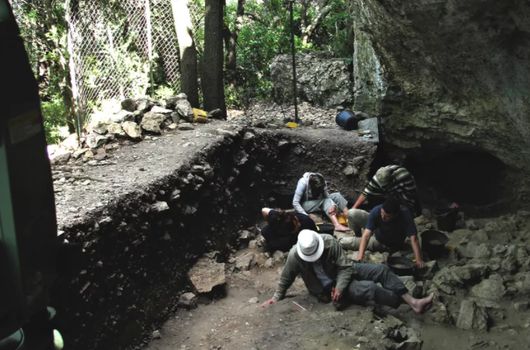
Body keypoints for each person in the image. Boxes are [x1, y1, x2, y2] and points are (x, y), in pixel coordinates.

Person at [261, 230, 433, 313]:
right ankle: (404, 304)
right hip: (325, 289)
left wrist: (341, 287)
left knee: (381, 269)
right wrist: (276, 298)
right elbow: (286, 279)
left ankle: (413, 301)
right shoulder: (294, 256)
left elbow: (345, 267)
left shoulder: (328, 241)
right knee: (369, 288)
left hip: (342, 272)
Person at [344, 197, 425, 268]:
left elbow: (413, 238)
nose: (383, 217)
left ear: (396, 215)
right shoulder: (377, 210)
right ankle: (341, 239)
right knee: (346, 239)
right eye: (382, 213)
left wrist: (418, 259)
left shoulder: (405, 214)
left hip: (388, 244)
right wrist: (360, 256)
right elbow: (366, 236)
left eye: (387, 216)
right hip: (378, 236)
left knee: (350, 242)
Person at [352, 165, 421, 216]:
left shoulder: (404, 176)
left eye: (386, 185)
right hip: (389, 193)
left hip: (402, 191)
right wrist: (353, 209)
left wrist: (406, 212)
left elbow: (411, 196)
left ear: (392, 179)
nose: (384, 187)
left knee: (407, 211)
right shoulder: (378, 178)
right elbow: (365, 193)